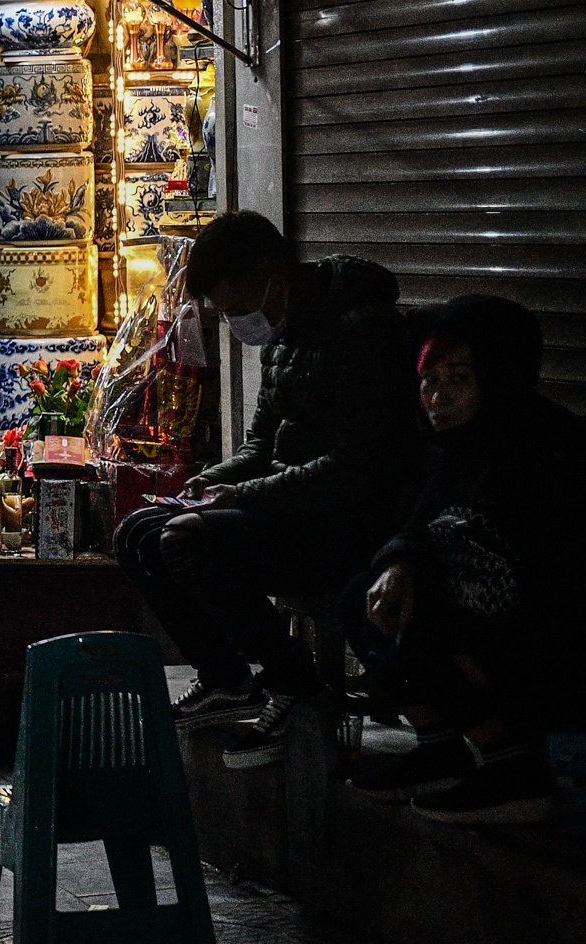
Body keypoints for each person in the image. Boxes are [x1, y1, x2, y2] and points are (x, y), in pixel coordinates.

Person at [113, 210, 420, 767]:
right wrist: (214, 479)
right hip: (288, 509)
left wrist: (247, 496)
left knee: (185, 539)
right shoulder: (283, 338)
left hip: (347, 524)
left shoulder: (364, 332)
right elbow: (259, 447)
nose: (237, 323)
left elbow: (359, 466)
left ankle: (294, 682)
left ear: (274, 275)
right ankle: (227, 679)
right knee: (136, 531)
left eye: (235, 308)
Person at [341, 296, 584, 824]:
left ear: (498, 375)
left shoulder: (546, 453)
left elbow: (562, 585)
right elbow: (420, 524)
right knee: (366, 595)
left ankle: (513, 768)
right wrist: (398, 564)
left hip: (550, 651)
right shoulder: (453, 445)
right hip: (485, 633)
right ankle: (441, 749)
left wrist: (487, 648)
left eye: (458, 379)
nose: (436, 397)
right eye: (428, 380)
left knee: (424, 619)